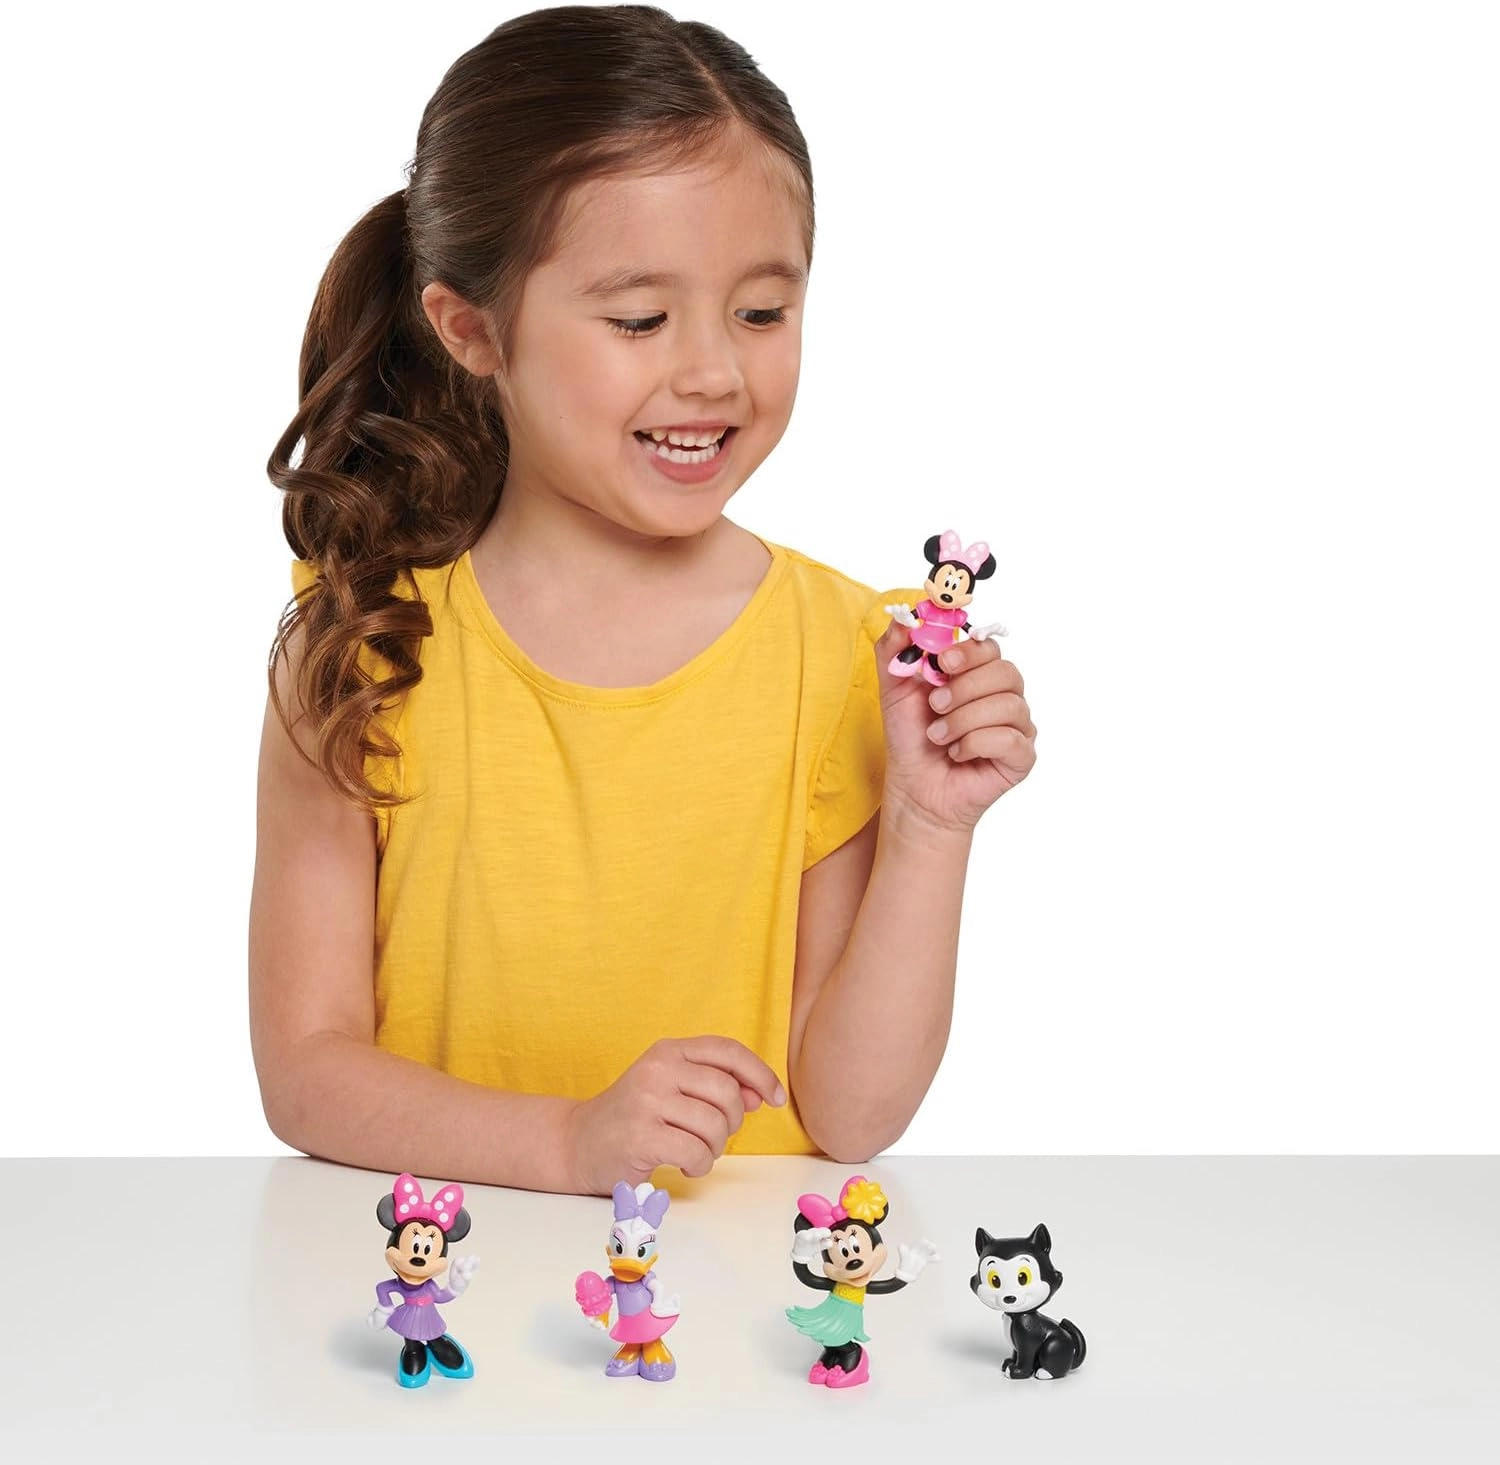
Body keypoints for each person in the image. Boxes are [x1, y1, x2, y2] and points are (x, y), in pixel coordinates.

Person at [248, 4, 1037, 1197]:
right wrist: (566, 1144)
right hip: (439, 1290)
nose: (714, 371)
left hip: (745, 1294)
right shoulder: (364, 642)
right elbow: (306, 1069)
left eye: (761, 312)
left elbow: (850, 1114)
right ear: (472, 329)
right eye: (639, 319)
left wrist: (932, 828)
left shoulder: (845, 654)